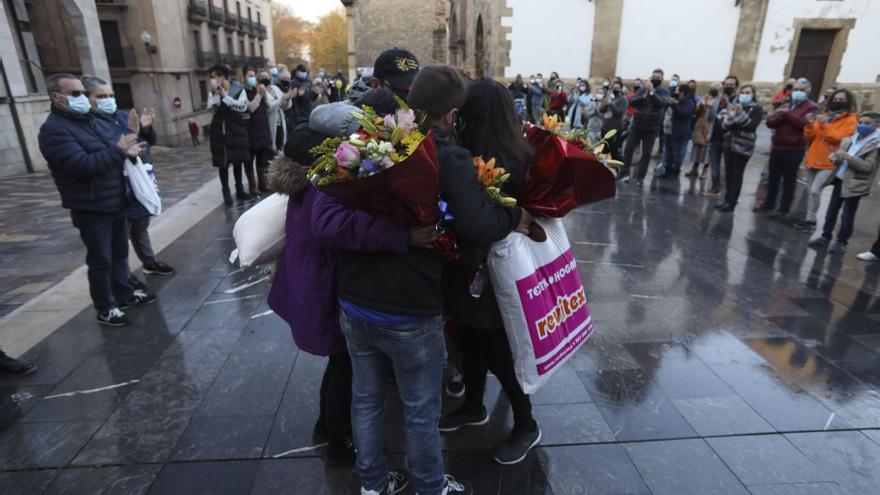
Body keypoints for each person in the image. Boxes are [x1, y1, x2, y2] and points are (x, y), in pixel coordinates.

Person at [313, 64, 532, 495]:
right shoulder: (444, 155)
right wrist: (513, 214)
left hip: (354, 299)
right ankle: (430, 486)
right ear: (451, 114)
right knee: (419, 409)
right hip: (408, 308)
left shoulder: (372, 141)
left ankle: (373, 485)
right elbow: (475, 222)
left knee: (367, 400)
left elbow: (332, 213)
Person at [268, 89, 410, 466]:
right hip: (327, 282)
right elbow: (334, 228)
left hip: (313, 276)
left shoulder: (306, 167)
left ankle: (327, 425)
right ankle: (337, 436)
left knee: (340, 360)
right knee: (344, 363)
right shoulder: (326, 178)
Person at [441, 77, 540, 465]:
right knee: (468, 340)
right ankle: (474, 405)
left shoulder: (514, 159)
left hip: (496, 271)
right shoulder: (466, 153)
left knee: (498, 351)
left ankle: (527, 423)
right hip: (466, 267)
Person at [38, 73, 156, 327]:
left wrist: (134, 137)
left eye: (83, 92)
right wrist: (120, 150)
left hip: (115, 200)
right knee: (100, 260)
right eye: (76, 94)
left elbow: (117, 143)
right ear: (56, 97)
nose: (83, 99)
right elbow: (83, 165)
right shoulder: (53, 131)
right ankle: (106, 308)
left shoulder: (89, 120)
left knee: (120, 254)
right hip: (90, 207)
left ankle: (124, 295)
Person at [83, 76, 175, 283]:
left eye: (111, 95)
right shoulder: (91, 125)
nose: (108, 100)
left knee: (140, 227)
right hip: (119, 186)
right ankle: (123, 276)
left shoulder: (121, 116)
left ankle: (149, 262)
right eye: (101, 96)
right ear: (88, 99)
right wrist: (130, 139)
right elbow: (114, 149)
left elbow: (145, 142)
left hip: (140, 180)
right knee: (120, 239)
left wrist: (146, 129)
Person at [808, 112, 880, 254]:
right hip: (840, 179)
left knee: (847, 215)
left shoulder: (875, 144)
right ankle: (825, 236)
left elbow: (868, 167)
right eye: (861, 122)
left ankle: (841, 241)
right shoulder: (851, 139)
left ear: (877, 125)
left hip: (855, 183)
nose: (862, 125)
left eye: (867, 123)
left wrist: (848, 157)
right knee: (831, 211)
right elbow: (839, 159)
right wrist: (835, 157)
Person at [796, 88, 859, 233]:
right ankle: (809, 220)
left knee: (814, 191)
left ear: (848, 102)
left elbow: (839, 138)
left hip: (830, 161)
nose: (837, 102)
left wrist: (825, 125)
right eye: (835, 99)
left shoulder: (850, 119)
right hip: (813, 158)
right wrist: (810, 124)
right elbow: (810, 136)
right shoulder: (824, 115)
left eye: (841, 100)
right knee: (810, 191)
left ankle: (811, 221)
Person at [759, 78, 818, 216]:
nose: (798, 92)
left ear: (808, 91)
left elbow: (804, 124)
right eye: (796, 90)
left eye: (801, 90)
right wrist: (782, 116)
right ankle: (769, 202)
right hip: (778, 146)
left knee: (789, 180)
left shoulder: (811, 107)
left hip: (794, 148)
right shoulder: (786, 103)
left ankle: (784, 207)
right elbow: (770, 122)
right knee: (773, 177)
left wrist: (787, 115)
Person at [715, 85, 764, 212]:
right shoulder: (733, 105)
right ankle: (726, 200)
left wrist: (740, 114)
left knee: (737, 174)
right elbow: (725, 126)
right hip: (729, 143)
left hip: (743, 145)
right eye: (742, 92)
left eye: (747, 92)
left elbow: (751, 126)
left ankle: (732, 202)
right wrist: (731, 117)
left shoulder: (757, 108)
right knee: (728, 174)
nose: (744, 94)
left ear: (753, 94)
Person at [207, 64, 251, 204]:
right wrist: (215, 95)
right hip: (220, 132)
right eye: (212, 78)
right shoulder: (213, 92)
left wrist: (225, 96)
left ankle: (239, 190)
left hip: (236, 131)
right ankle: (226, 192)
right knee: (223, 164)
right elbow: (211, 110)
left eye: (216, 77)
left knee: (237, 162)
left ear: (223, 77)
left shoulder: (238, 89)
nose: (214, 80)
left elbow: (242, 106)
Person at [621, 69, 669, 187]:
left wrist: (652, 93)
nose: (655, 78)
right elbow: (632, 102)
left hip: (651, 128)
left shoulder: (663, 91)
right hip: (637, 125)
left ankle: (640, 177)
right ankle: (624, 173)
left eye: (658, 77)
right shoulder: (643, 89)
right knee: (628, 149)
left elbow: (661, 103)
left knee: (646, 154)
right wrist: (644, 95)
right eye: (654, 76)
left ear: (662, 79)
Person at [244, 68, 279, 194]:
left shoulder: (260, 90)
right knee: (249, 159)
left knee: (262, 159)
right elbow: (250, 108)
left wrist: (264, 96)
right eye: (250, 76)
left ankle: (263, 183)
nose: (252, 78)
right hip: (251, 131)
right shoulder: (244, 92)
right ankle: (253, 186)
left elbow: (269, 107)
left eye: (253, 75)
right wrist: (259, 95)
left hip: (263, 128)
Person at [704, 76, 739, 196]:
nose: (728, 87)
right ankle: (715, 187)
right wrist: (709, 107)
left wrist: (728, 104)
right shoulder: (718, 99)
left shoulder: (738, 99)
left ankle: (730, 192)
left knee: (730, 167)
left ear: (735, 86)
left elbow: (738, 117)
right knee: (714, 165)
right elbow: (708, 118)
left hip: (730, 138)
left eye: (731, 85)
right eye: (726, 84)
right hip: (715, 136)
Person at [660, 79, 696, 178]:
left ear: (682, 92)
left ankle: (675, 171)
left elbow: (683, 112)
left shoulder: (689, 102)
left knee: (677, 153)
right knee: (668, 152)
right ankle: (667, 170)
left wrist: (674, 104)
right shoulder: (676, 100)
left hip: (679, 132)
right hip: (668, 130)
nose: (675, 92)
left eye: (677, 90)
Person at [686, 87, 712, 179]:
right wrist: (702, 104)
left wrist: (710, 105)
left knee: (707, 150)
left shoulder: (718, 101)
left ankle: (705, 170)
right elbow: (697, 112)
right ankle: (694, 168)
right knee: (697, 148)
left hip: (710, 126)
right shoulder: (703, 99)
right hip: (700, 125)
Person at [601, 81, 628, 159]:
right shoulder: (609, 97)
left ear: (621, 89)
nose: (615, 89)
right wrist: (605, 105)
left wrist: (611, 104)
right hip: (605, 128)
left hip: (615, 130)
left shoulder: (623, 100)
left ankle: (614, 169)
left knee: (613, 151)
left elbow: (619, 113)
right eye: (614, 88)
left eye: (617, 88)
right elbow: (601, 110)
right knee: (603, 149)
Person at [268, 70, 293, 153]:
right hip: (271, 122)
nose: (287, 80)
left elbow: (285, 106)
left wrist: (288, 98)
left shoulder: (279, 89)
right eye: (285, 78)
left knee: (280, 146)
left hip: (280, 123)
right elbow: (270, 106)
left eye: (289, 78)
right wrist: (282, 98)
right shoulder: (272, 89)